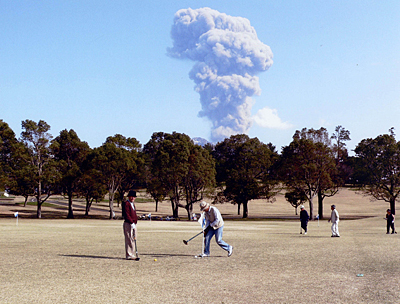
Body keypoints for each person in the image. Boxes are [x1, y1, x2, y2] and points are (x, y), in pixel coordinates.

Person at [122, 190, 138, 260]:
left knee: (133, 238)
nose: (132, 198)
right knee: (129, 239)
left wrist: (134, 223)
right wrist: (131, 223)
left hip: (133, 224)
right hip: (128, 223)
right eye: (131, 196)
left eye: (134, 197)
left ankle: (132, 253)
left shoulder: (132, 204)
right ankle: (129, 255)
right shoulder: (126, 204)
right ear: (129, 197)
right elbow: (127, 214)